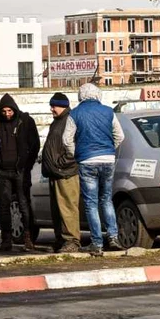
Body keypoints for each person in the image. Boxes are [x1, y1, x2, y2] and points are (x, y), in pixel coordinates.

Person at [63, 84, 125, 256]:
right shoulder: (108, 111)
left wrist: (77, 154)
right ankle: (113, 238)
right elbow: (120, 136)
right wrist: (109, 149)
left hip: (87, 160)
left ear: (80, 96)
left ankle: (96, 243)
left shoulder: (74, 114)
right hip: (108, 159)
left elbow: (66, 140)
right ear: (98, 95)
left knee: (91, 203)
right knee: (106, 199)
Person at [0, 93, 40, 252]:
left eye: (10, 111)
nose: (7, 114)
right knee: (4, 205)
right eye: (4, 112)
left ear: (14, 109)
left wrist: (27, 165)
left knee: (24, 203)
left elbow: (35, 145)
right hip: (2, 171)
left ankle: (28, 237)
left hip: (20, 170)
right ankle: (6, 239)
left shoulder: (25, 121)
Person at [42, 93, 81, 253]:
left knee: (67, 208)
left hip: (66, 173)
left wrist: (61, 164)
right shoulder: (57, 122)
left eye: (54, 106)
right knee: (57, 209)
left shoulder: (69, 121)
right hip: (56, 172)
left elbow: (74, 147)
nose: (52, 109)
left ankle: (72, 240)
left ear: (63, 106)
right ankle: (61, 240)